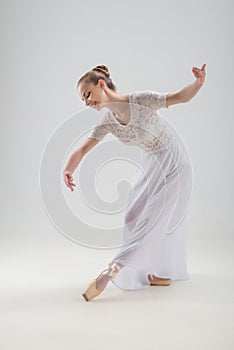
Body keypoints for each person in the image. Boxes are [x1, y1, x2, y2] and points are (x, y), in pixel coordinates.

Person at [63, 64, 206, 302]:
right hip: (150, 163)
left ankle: (110, 272)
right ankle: (157, 272)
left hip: (173, 162)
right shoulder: (107, 121)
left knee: (152, 218)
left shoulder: (140, 100)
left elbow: (180, 97)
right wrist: (69, 168)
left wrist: (198, 83)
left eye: (87, 94)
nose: (86, 102)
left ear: (101, 85)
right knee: (132, 217)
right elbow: (83, 148)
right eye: (82, 99)